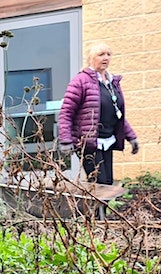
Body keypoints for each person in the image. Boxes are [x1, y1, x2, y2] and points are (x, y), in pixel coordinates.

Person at [58, 42, 138, 185]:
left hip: (107, 140)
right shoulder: (80, 81)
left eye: (108, 54)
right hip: (88, 142)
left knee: (107, 183)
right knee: (99, 184)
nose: (105, 58)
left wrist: (131, 137)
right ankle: (90, 208)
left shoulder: (112, 83)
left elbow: (117, 114)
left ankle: (98, 208)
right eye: (101, 54)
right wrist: (65, 140)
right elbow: (66, 112)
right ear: (90, 58)